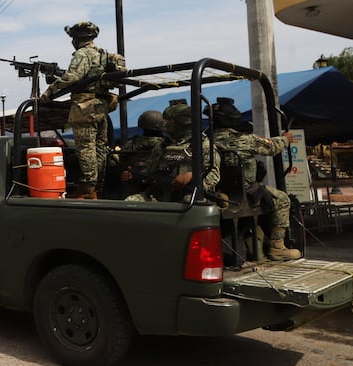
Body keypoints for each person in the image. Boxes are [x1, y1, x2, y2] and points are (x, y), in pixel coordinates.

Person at [207, 97, 301, 261]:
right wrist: (286, 138)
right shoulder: (245, 140)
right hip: (245, 190)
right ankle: (277, 247)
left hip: (217, 191)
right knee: (283, 200)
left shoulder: (205, 141)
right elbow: (271, 147)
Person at [40, 21, 125, 199]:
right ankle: (97, 187)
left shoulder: (82, 54)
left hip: (85, 107)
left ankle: (87, 189)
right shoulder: (102, 55)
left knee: (86, 148)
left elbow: (72, 76)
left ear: (76, 38)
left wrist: (49, 92)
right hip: (101, 107)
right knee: (100, 148)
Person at [124, 99, 220, 202]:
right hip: (160, 194)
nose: (165, 124)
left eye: (169, 121)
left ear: (182, 122)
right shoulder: (163, 144)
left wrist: (193, 177)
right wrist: (133, 174)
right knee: (130, 202)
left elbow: (213, 174)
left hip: (191, 194)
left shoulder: (202, 145)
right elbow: (150, 169)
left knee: (189, 202)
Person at [116, 110, 165, 198]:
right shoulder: (165, 144)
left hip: (132, 185)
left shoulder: (131, 144)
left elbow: (121, 162)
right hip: (156, 186)